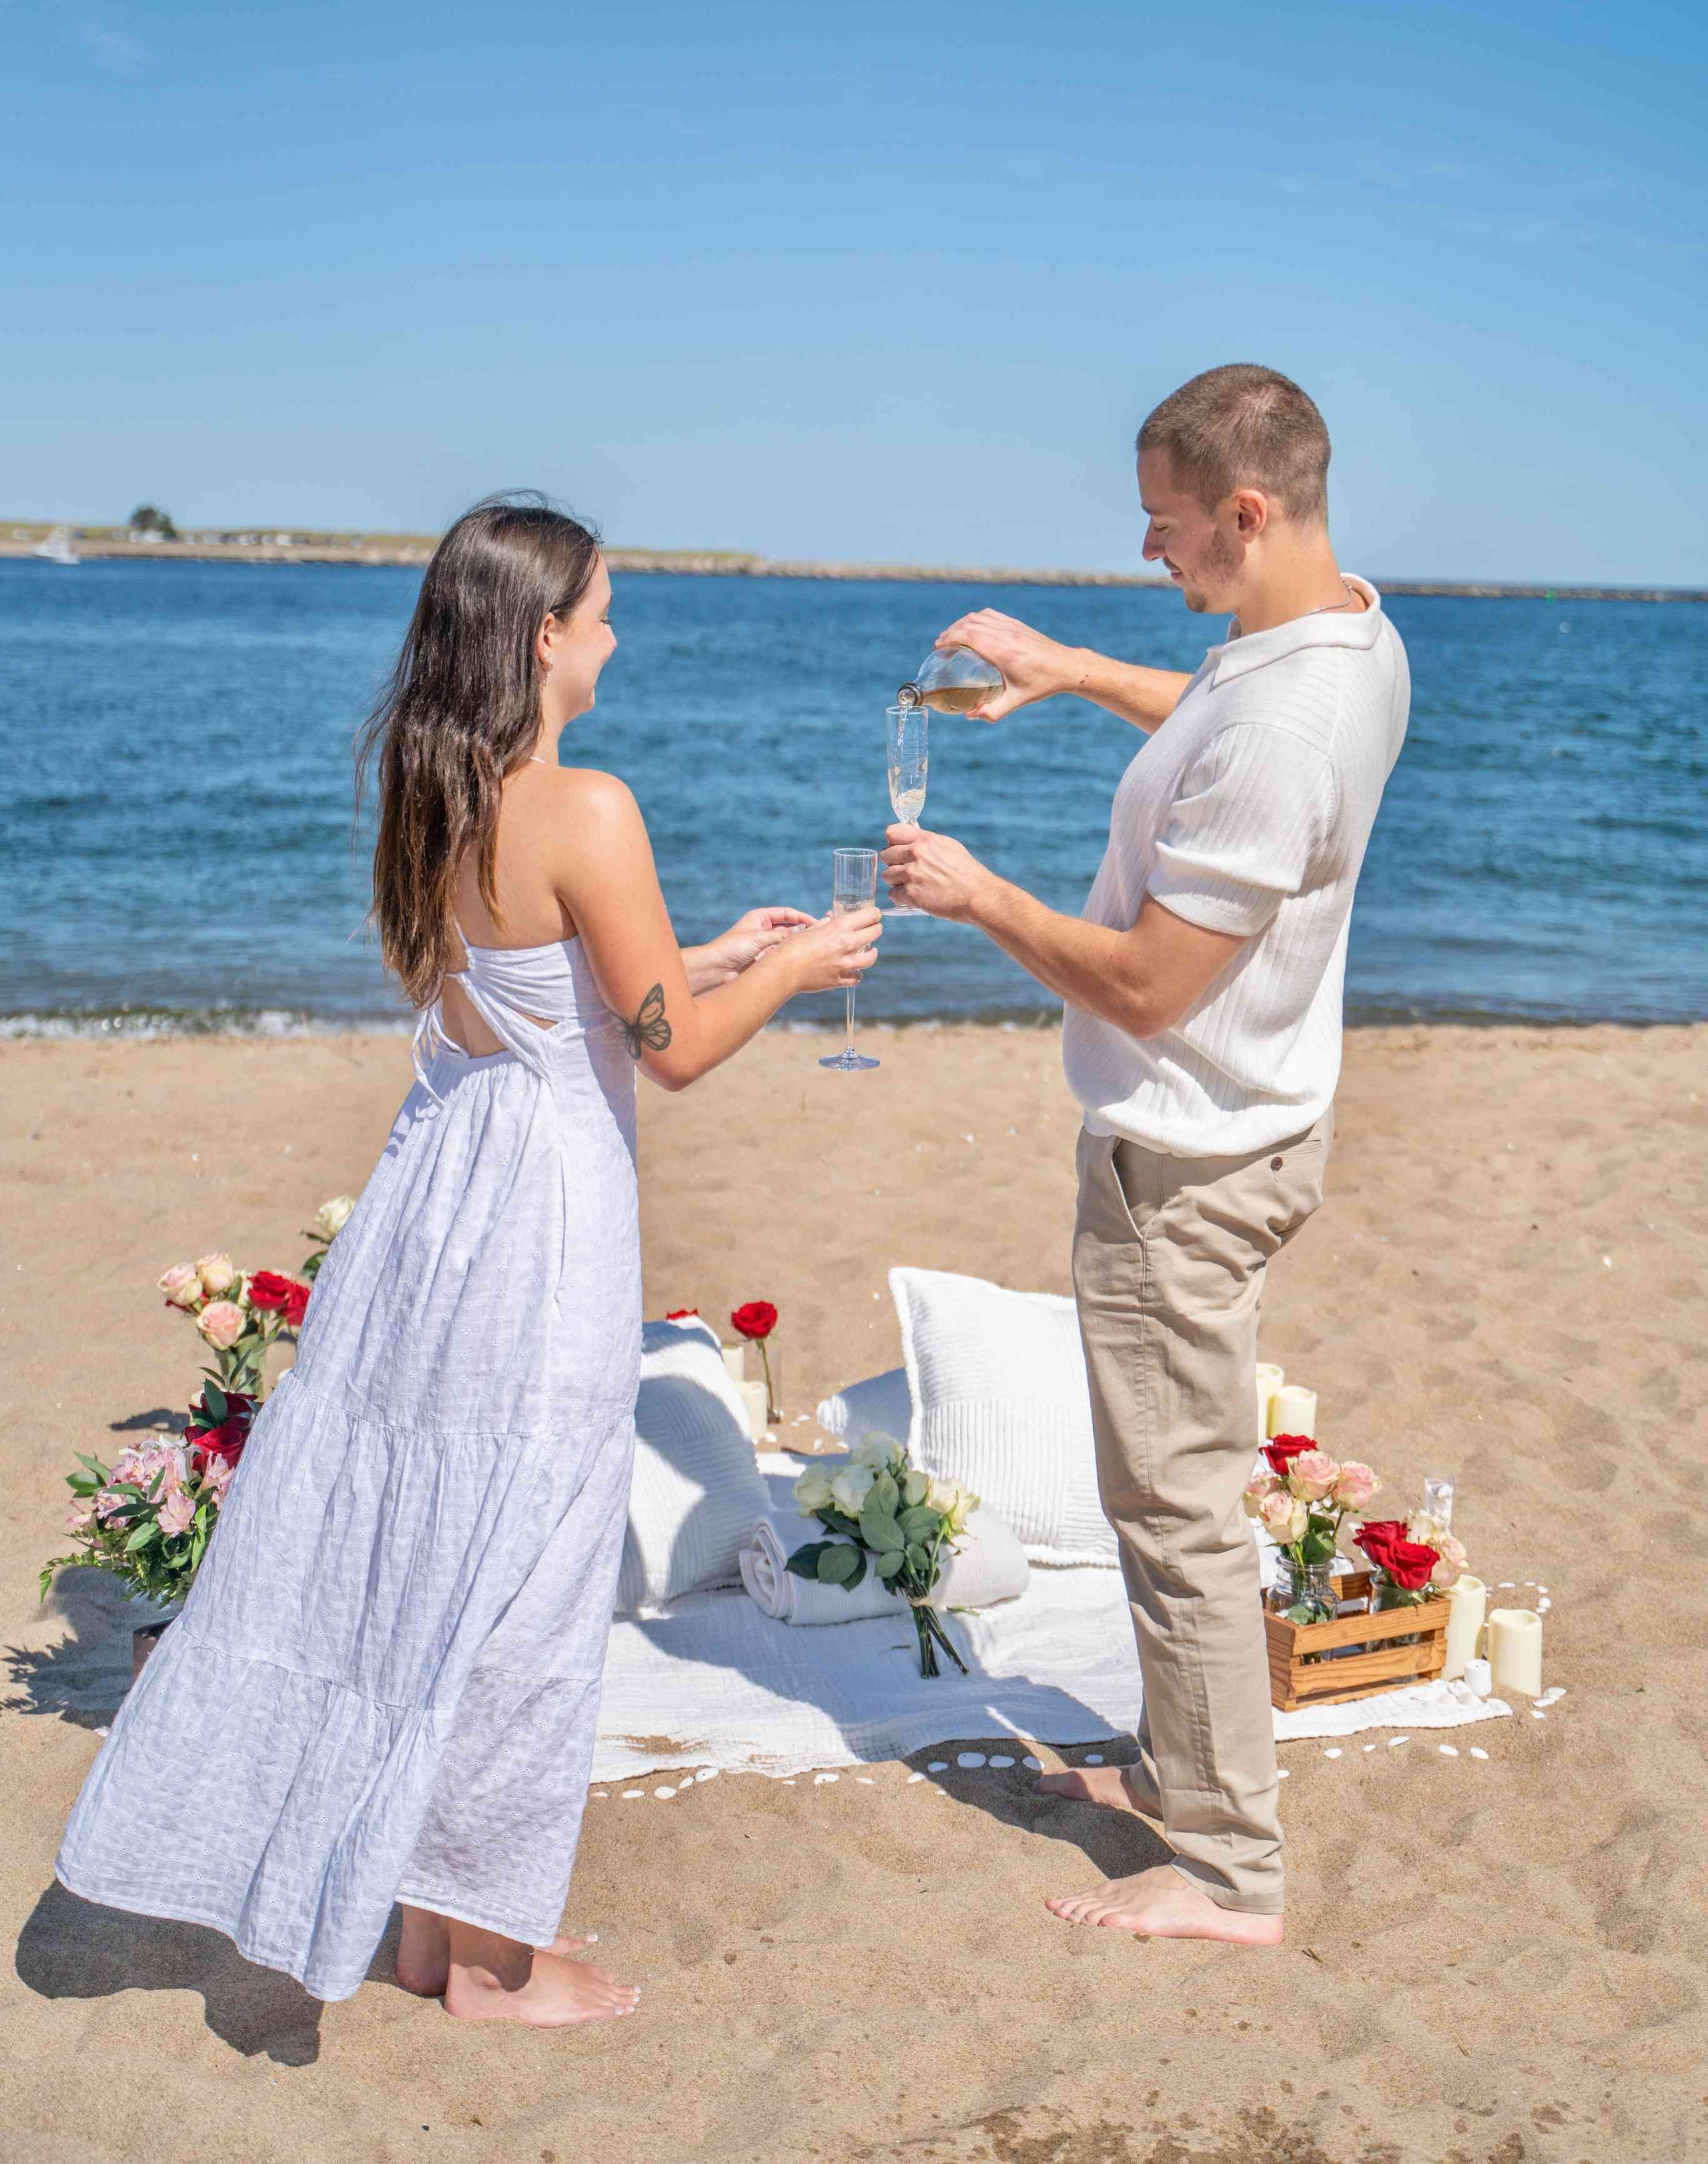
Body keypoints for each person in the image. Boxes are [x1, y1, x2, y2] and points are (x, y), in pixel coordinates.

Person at [56, 495, 881, 2024]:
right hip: (545, 1223)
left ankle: (436, 1933)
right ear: (545, 633)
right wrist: (794, 970)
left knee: (446, 1548)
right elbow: (673, 1055)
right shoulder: (589, 806)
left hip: (438, 1207)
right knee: (532, 1581)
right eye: (606, 610)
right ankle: (490, 1961)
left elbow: (539, 990)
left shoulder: (433, 782)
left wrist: (704, 949)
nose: (620, 635)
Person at [883, 364, 1409, 1946]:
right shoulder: (1341, 629)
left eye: (1164, 526)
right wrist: (1059, 670)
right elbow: (1213, 705)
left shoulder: (1289, 720)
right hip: (1250, 1117)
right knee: (1163, 1490)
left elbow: (1141, 982)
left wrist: (979, 897)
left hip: (1188, 1161)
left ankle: (1229, 1866)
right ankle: (1181, 1777)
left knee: (1173, 1508)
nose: (1147, 554)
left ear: (1245, 515)